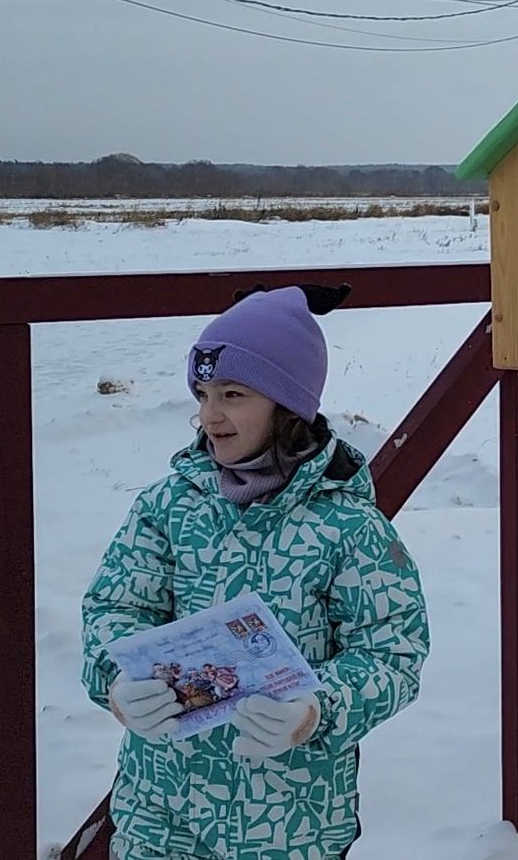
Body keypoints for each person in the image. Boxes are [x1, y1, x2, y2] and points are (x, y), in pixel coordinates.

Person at [81, 284, 428, 860]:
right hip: (159, 814)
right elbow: (117, 607)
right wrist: (115, 680)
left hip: (289, 825)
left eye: (233, 394)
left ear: (287, 405)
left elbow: (393, 651)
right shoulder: (169, 505)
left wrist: (318, 709)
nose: (209, 415)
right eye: (203, 393)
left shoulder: (348, 527)